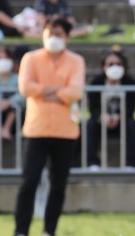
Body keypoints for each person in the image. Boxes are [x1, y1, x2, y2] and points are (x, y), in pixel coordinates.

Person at [14, 18, 85, 236]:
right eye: (50, 32)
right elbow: (26, 87)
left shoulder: (76, 61)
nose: (53, 37)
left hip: (65, 131)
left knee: (58, 185)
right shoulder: (31, 58)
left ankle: (49, 230)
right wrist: (58, 91)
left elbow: (75, 92)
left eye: (59, 33)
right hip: (37, 130)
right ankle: (21, 231)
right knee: (29, 183)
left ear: (67, 37)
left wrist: (43, 91)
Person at [86, 49, 135, 169]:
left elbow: (131, 107)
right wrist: (102, 116)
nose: (114, 67)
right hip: (101, 121)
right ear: (104, 67)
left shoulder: (130, 83)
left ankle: (130, 164)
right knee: (89, 125)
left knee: (131, 124)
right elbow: (93, 107)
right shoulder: (96, 83)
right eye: (110, 64)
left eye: (118, 64)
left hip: (122, 120)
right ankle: (92, 163)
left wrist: (119, 116)